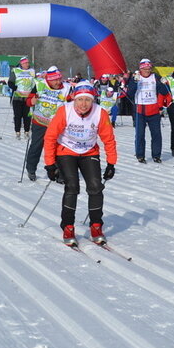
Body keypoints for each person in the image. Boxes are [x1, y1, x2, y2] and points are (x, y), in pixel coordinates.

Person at [43, 81, 117, 245]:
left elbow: (109, 139)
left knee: (96, 186)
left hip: (89, 151)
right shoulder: (65, 111)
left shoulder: (100, 113)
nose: (83, 104)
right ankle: (68, 226)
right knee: (72, 187)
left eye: (88, 100)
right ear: (74, 99)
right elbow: (50, 137)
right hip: (66, 151)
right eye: (80, 100)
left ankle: (96, 225)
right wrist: (50, 164)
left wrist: (111, 163)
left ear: (93, 100)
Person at [25, 66, 72, 181]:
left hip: (57, 124)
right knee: (36, 146)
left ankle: (59, 172)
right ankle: (31, 169)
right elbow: (28, 101)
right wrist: (32, 101)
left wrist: (73, 99)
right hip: (40, 122)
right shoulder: (39, 85)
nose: (57, 82)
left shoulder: (66, 88)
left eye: (59, 79)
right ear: (48, 79)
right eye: (54, 80)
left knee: (59, 148)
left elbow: (71, 102)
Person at [126, 59, 171, 163]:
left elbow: (164, 91)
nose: (147, 70)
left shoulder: (155, 77)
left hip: (153, 110)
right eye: (145, 68)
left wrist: (165, 84)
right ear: (140, 68)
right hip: (140, 110)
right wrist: (134, 82)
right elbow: (130, 94)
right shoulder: (136, 78)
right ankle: (140, 155)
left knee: (156, 134)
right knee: (140, 134)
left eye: (149, 68)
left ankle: (156, 155)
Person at [7, 56, 35, 140]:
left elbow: (34, 82)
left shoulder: (32, 71)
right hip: (17, 97)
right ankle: (17, 132)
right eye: (25, 63)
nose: (27, 64)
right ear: (21, 64)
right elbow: (10, 82)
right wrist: (13, 86)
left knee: (27, 116)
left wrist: (34, 91)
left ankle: (27, 132)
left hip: (28, 97)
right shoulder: (16, 70)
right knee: (18, 115)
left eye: (28, 63)